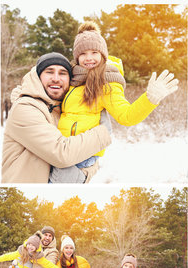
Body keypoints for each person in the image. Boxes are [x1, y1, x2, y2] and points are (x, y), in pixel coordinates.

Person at [50, 21, 178, 183]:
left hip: (81, 154)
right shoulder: (74, 78)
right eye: (83, 54)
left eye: (94, 52)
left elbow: (126, 116)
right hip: (64, 149)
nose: (88, 58)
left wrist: (149, 99)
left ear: (103, 54)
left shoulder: (106, 82)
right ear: (76, 57)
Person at [2, 52, 112, 183]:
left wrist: (82, 176)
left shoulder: (66, 111)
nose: (56, 78)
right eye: (49, 72)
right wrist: (103, 132)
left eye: (62, 73)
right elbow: (62, 153)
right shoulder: (25, 108)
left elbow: (90, 157)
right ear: (38, 77)